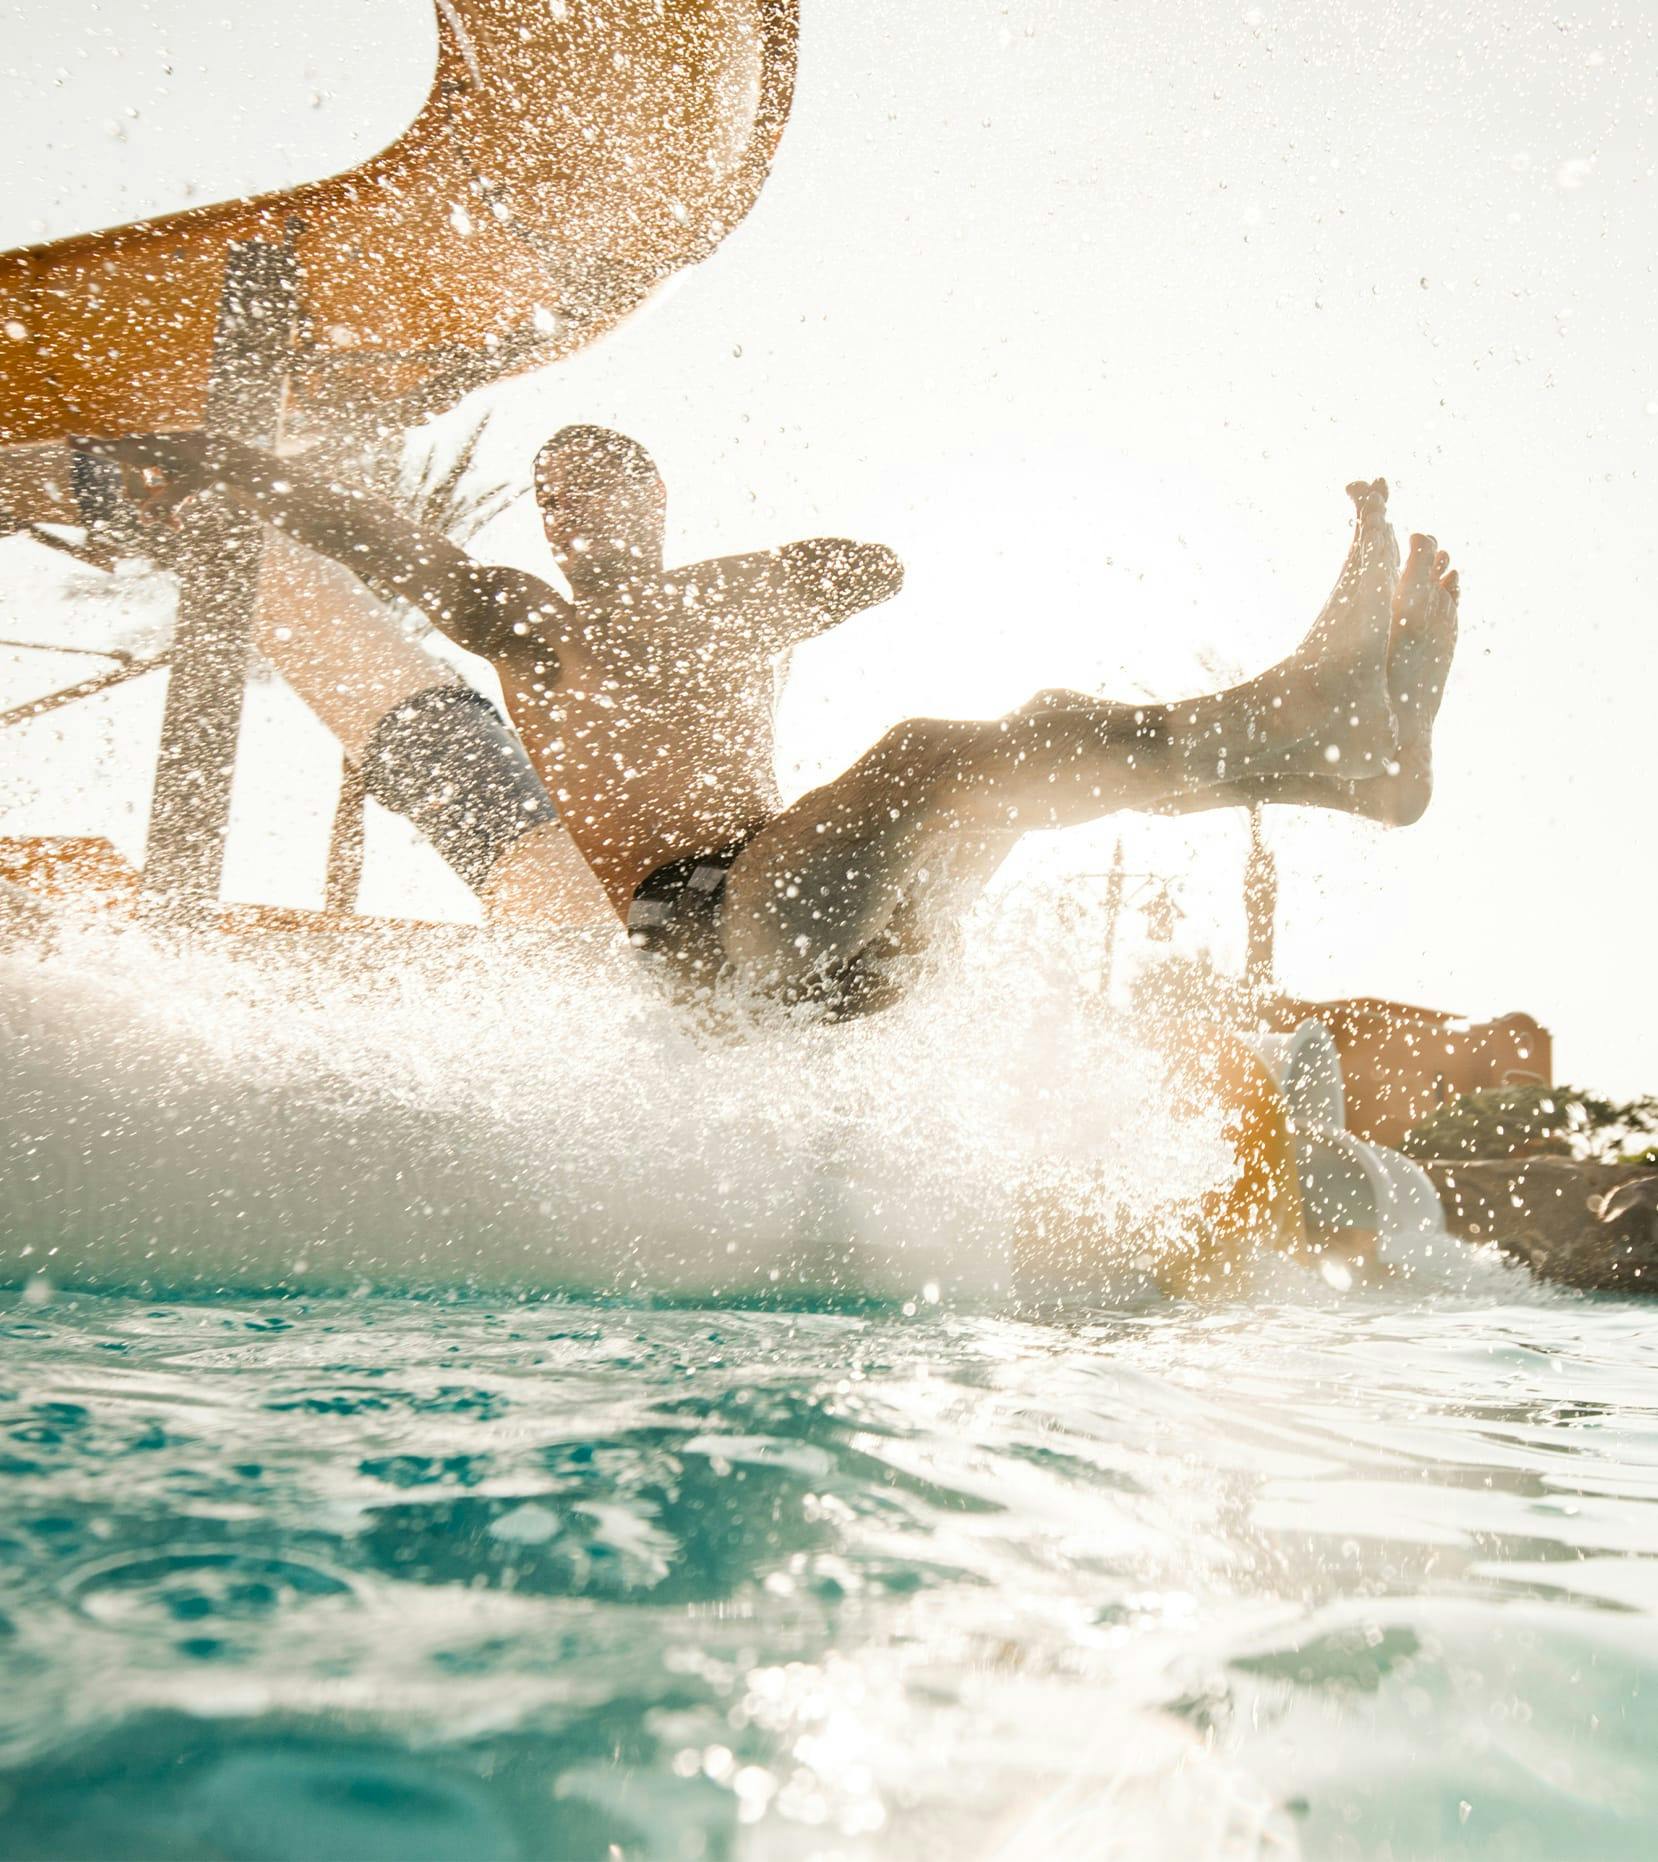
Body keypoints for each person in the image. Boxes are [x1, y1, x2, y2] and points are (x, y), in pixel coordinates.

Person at [93, 429, 1459, 1014]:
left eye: (600, 489)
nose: (573, 514)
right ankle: (1313, 719)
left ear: (654, 502)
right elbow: (390, 548)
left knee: (1016, 748)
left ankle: (1348, 763)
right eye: (554, 496)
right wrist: (236, 470)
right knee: (935, 748)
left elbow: (867, 566)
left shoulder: (722, 610)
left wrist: (706, 605)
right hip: (706, 940)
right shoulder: (526, 621)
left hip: (839, 924)